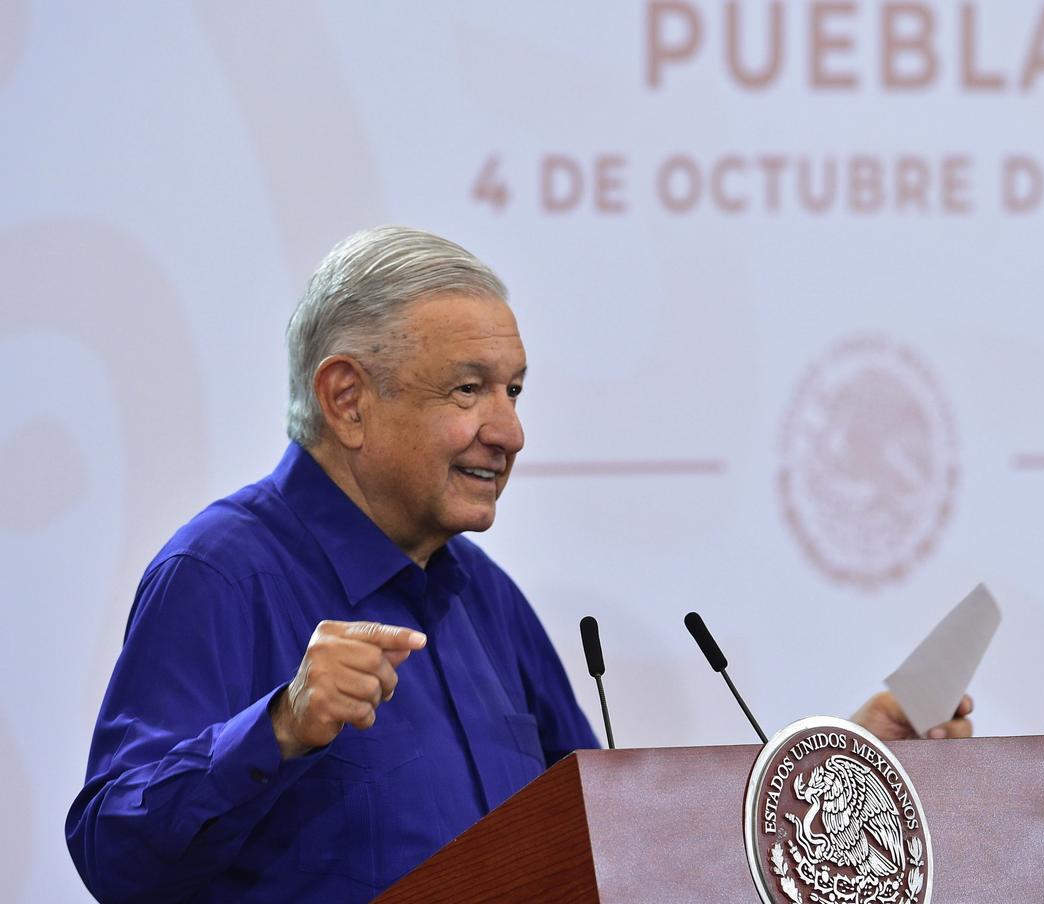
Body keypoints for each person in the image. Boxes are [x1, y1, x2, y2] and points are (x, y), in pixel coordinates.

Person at [67, 227, 973, 903]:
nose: (509, 431)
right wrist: (279, 726)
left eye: (513, 390)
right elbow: (113, 851)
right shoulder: (221, 574)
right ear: (347, 399)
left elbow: (619, 845)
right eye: (468, 390)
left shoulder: (483, 598)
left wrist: (835, 775)